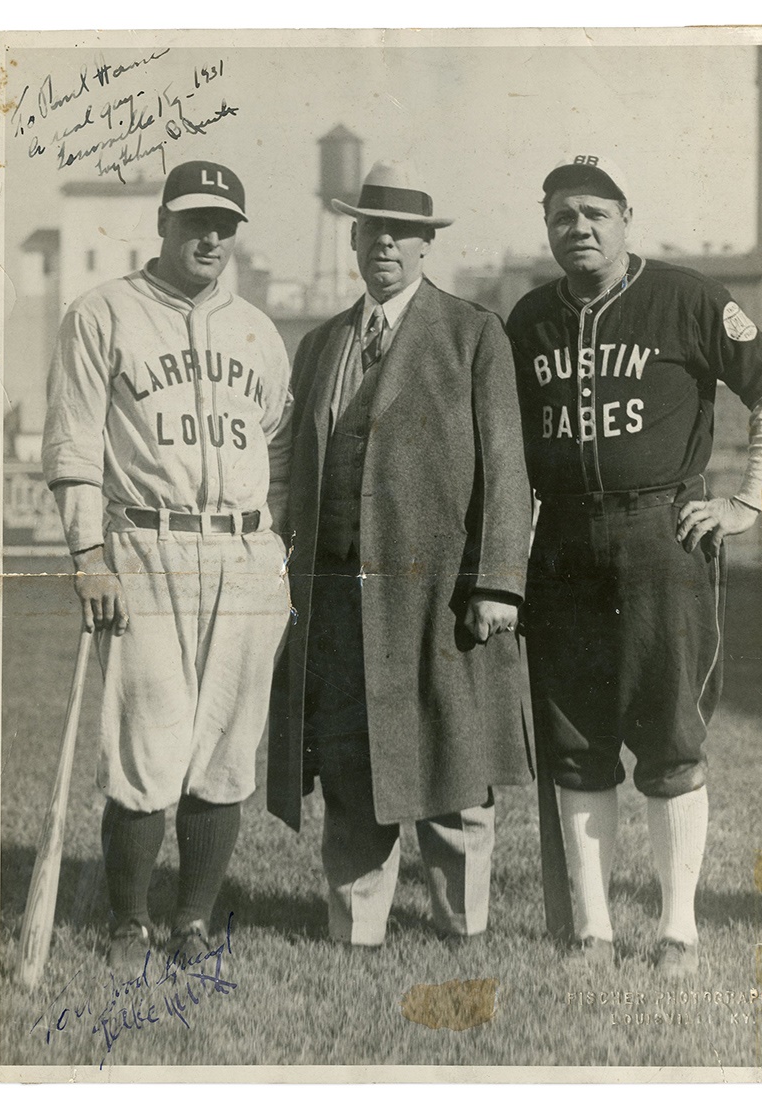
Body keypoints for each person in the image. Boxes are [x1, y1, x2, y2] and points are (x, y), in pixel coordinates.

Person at [506, 153, 762, 974]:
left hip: (660, 533)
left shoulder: (686, 296)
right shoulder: (529, 316)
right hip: (563, 539)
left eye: (594, 213)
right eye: (562, 215)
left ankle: (678, 928)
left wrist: (746, 501)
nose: (579, 229)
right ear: (547, 227)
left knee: (670, 733)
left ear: (625, 216)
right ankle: (594, 932)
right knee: (576, 737)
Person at [267, 160, 533, 947]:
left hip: (441, 599)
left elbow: (507, 468)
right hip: (339, 603)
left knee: (455, 770)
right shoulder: (319, 345)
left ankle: (464, 926)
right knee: (353, 772)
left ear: (427, 246)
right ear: (352, 237)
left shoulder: (472, 333)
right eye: (372, 230)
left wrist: (499, 585)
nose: (386, 244)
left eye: (403, 233)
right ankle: (357, 932)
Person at [42, 161, 292, 971]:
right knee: (148, 742)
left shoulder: (258, 329)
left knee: (226, 744)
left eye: (224, 222)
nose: (210, 236)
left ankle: (190, 919)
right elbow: (75, 447)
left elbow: (280, 450)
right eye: (194, 220)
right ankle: (127, 921)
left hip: (247, 555)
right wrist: (88, 554)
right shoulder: (103, 313)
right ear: (162, 222)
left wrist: (271, 547)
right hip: (145, 549)